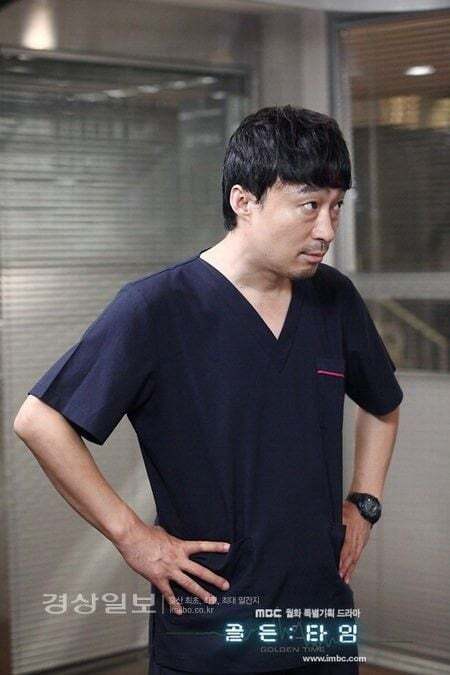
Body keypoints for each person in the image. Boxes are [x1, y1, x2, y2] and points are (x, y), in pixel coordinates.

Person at [14, 105, 403, 675]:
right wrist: (132, 536)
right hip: (210, 630)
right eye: (308, 206)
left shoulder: (333, 298)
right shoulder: (156, 307)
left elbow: (383, 403)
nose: (326, 230)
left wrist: (364, 503)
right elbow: (39, 421)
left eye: (336, 207)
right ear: (244, 201)